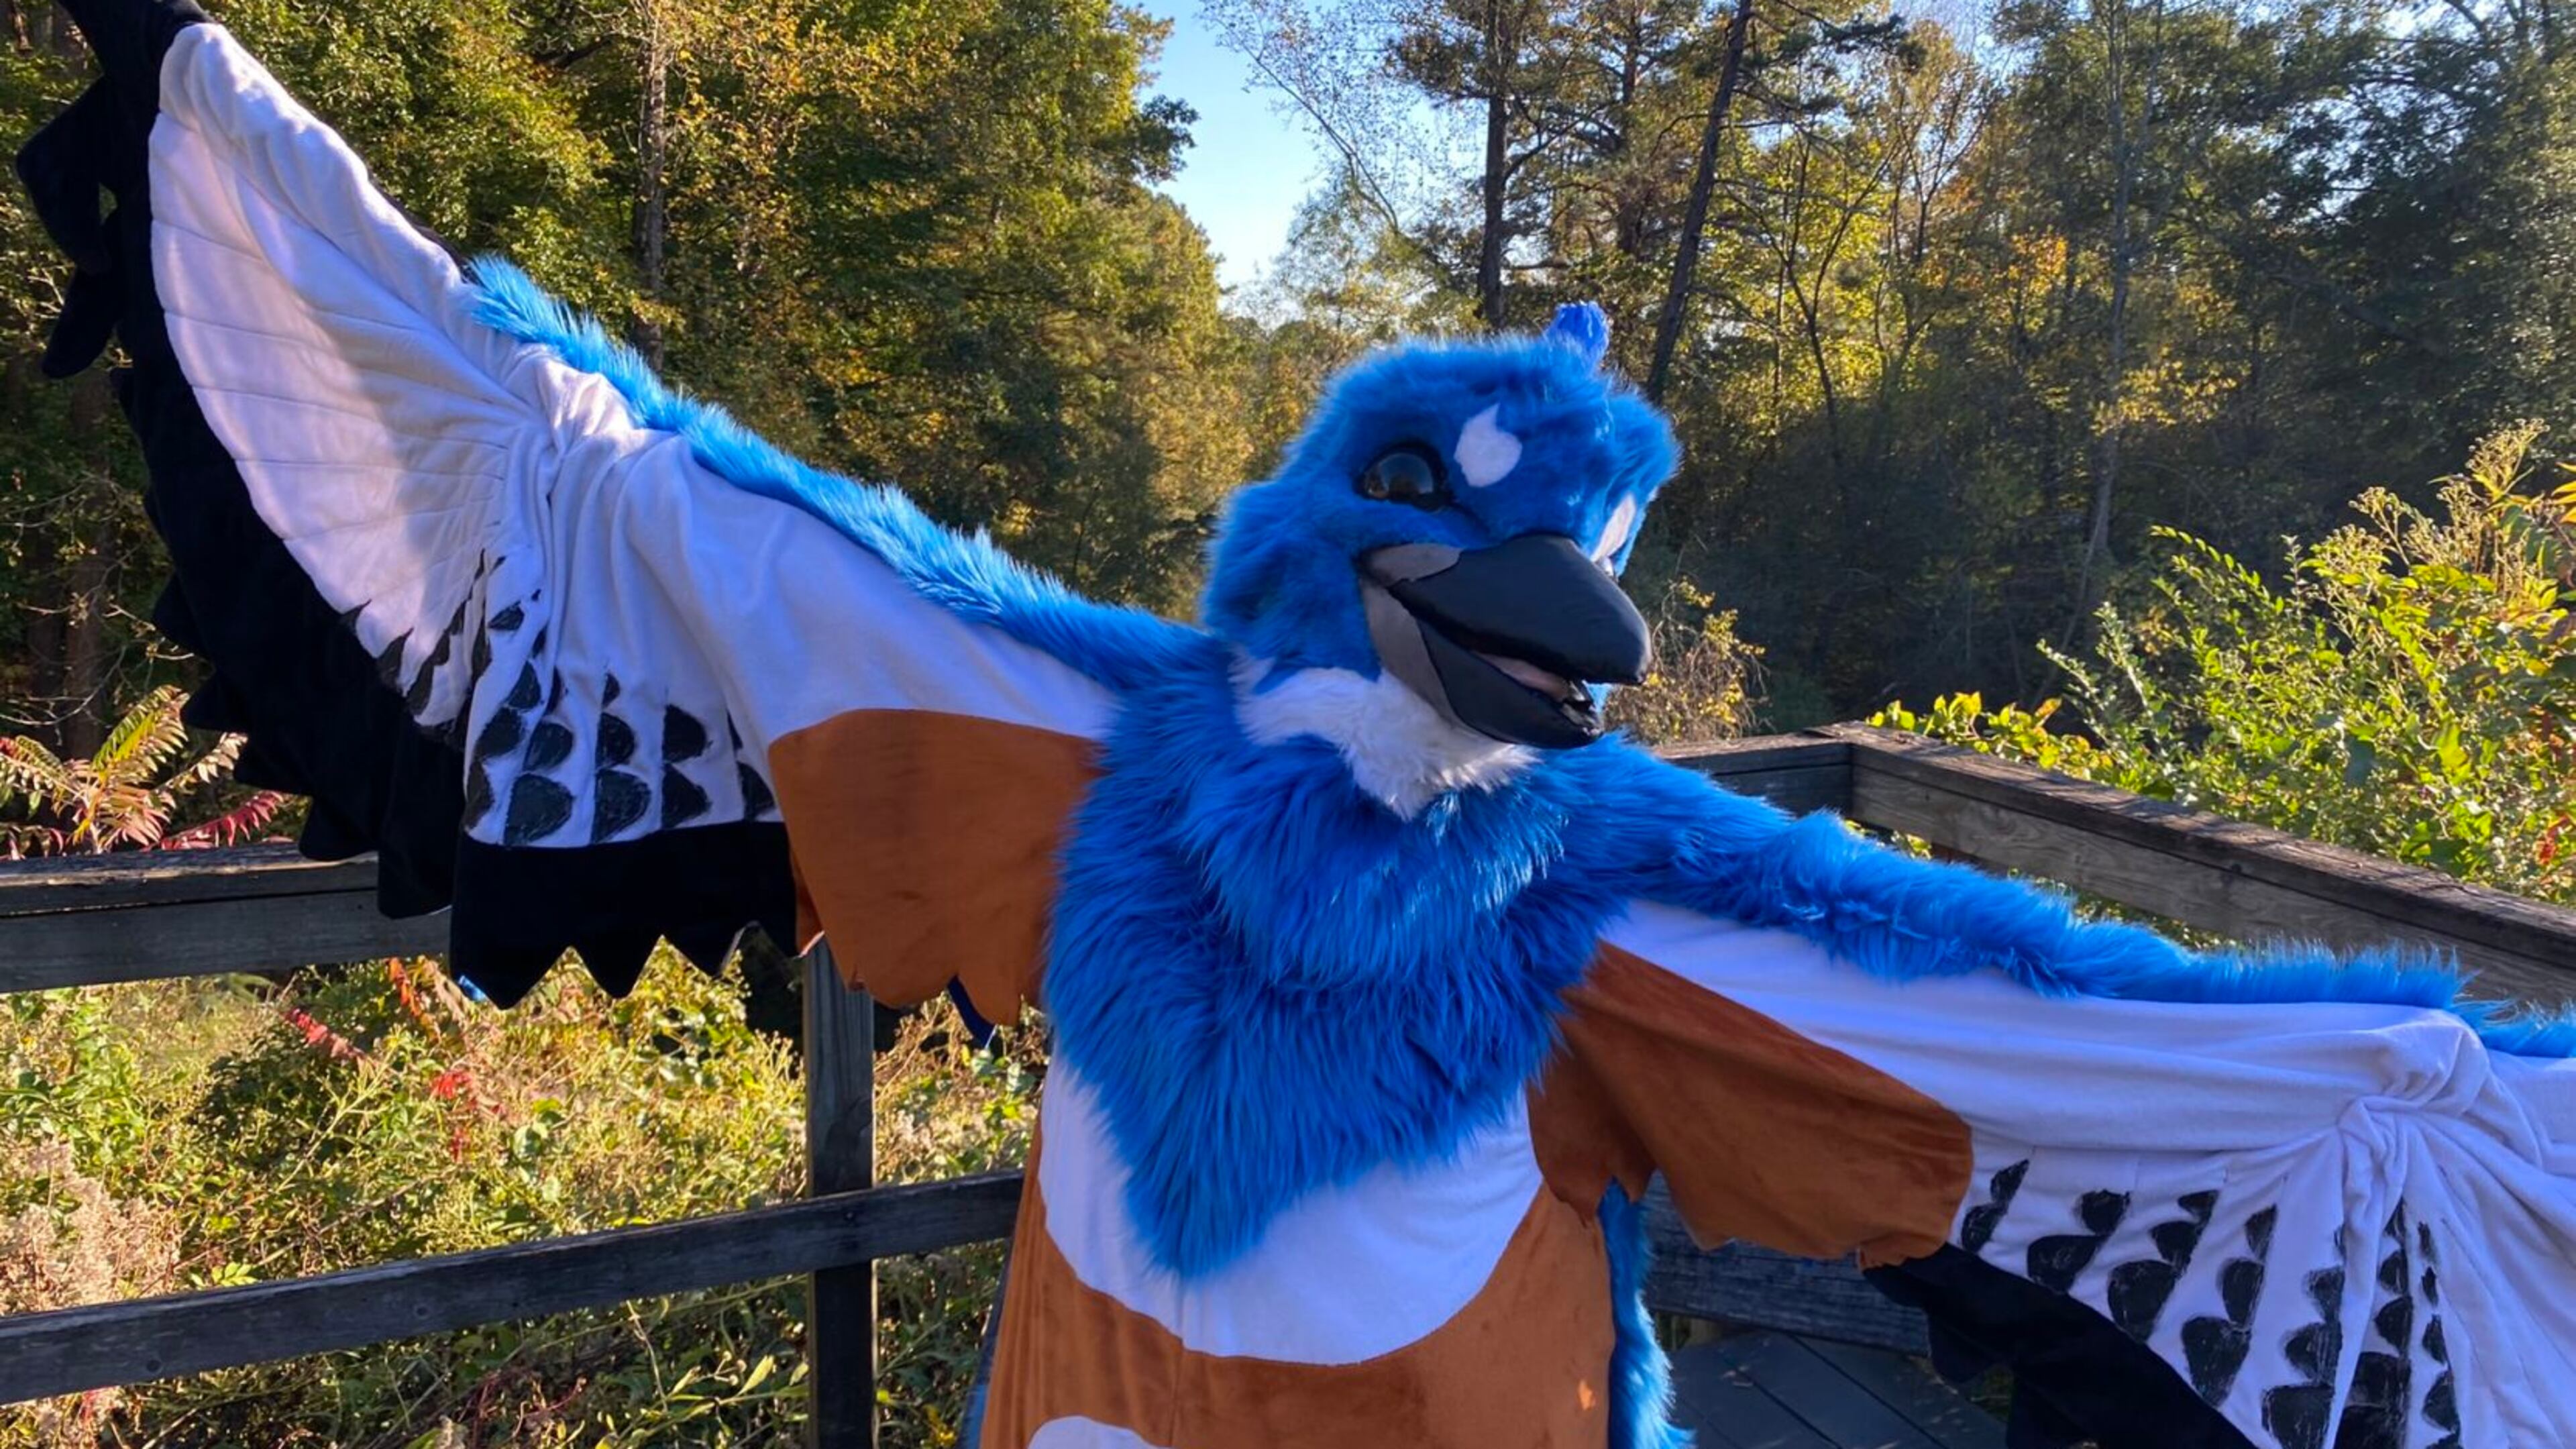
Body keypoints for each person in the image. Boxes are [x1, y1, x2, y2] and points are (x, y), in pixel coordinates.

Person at [22, 3, 2576, 1444]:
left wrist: (2421, 1087)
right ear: (1319, 526)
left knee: (2381, 1092)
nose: (1542, 627)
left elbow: (2078, 1036)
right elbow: (645, 499)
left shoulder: (1607, 885)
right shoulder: (1059, 723)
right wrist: (262, 189)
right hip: (1109, 1394)